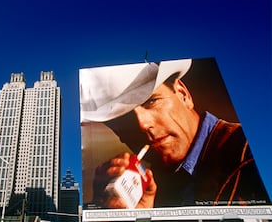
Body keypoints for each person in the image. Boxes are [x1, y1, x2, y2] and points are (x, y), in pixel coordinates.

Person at [79, 58, 270, 209]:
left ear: (183, 94)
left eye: (151, 102)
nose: (142, 124)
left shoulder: (251, 154)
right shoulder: (146, 189)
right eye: (124, 120)